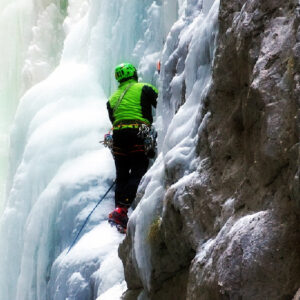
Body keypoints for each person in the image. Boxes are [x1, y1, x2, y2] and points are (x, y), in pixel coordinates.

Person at [106, 62, 158, 233]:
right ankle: (122, 210)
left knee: (121, 176)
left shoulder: (112, 99)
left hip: (118, 137)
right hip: (137, 132)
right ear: (134, 74)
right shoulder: (144, 88)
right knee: (138, 170)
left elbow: (114, 120)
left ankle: (119, 215)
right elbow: (163, 99)